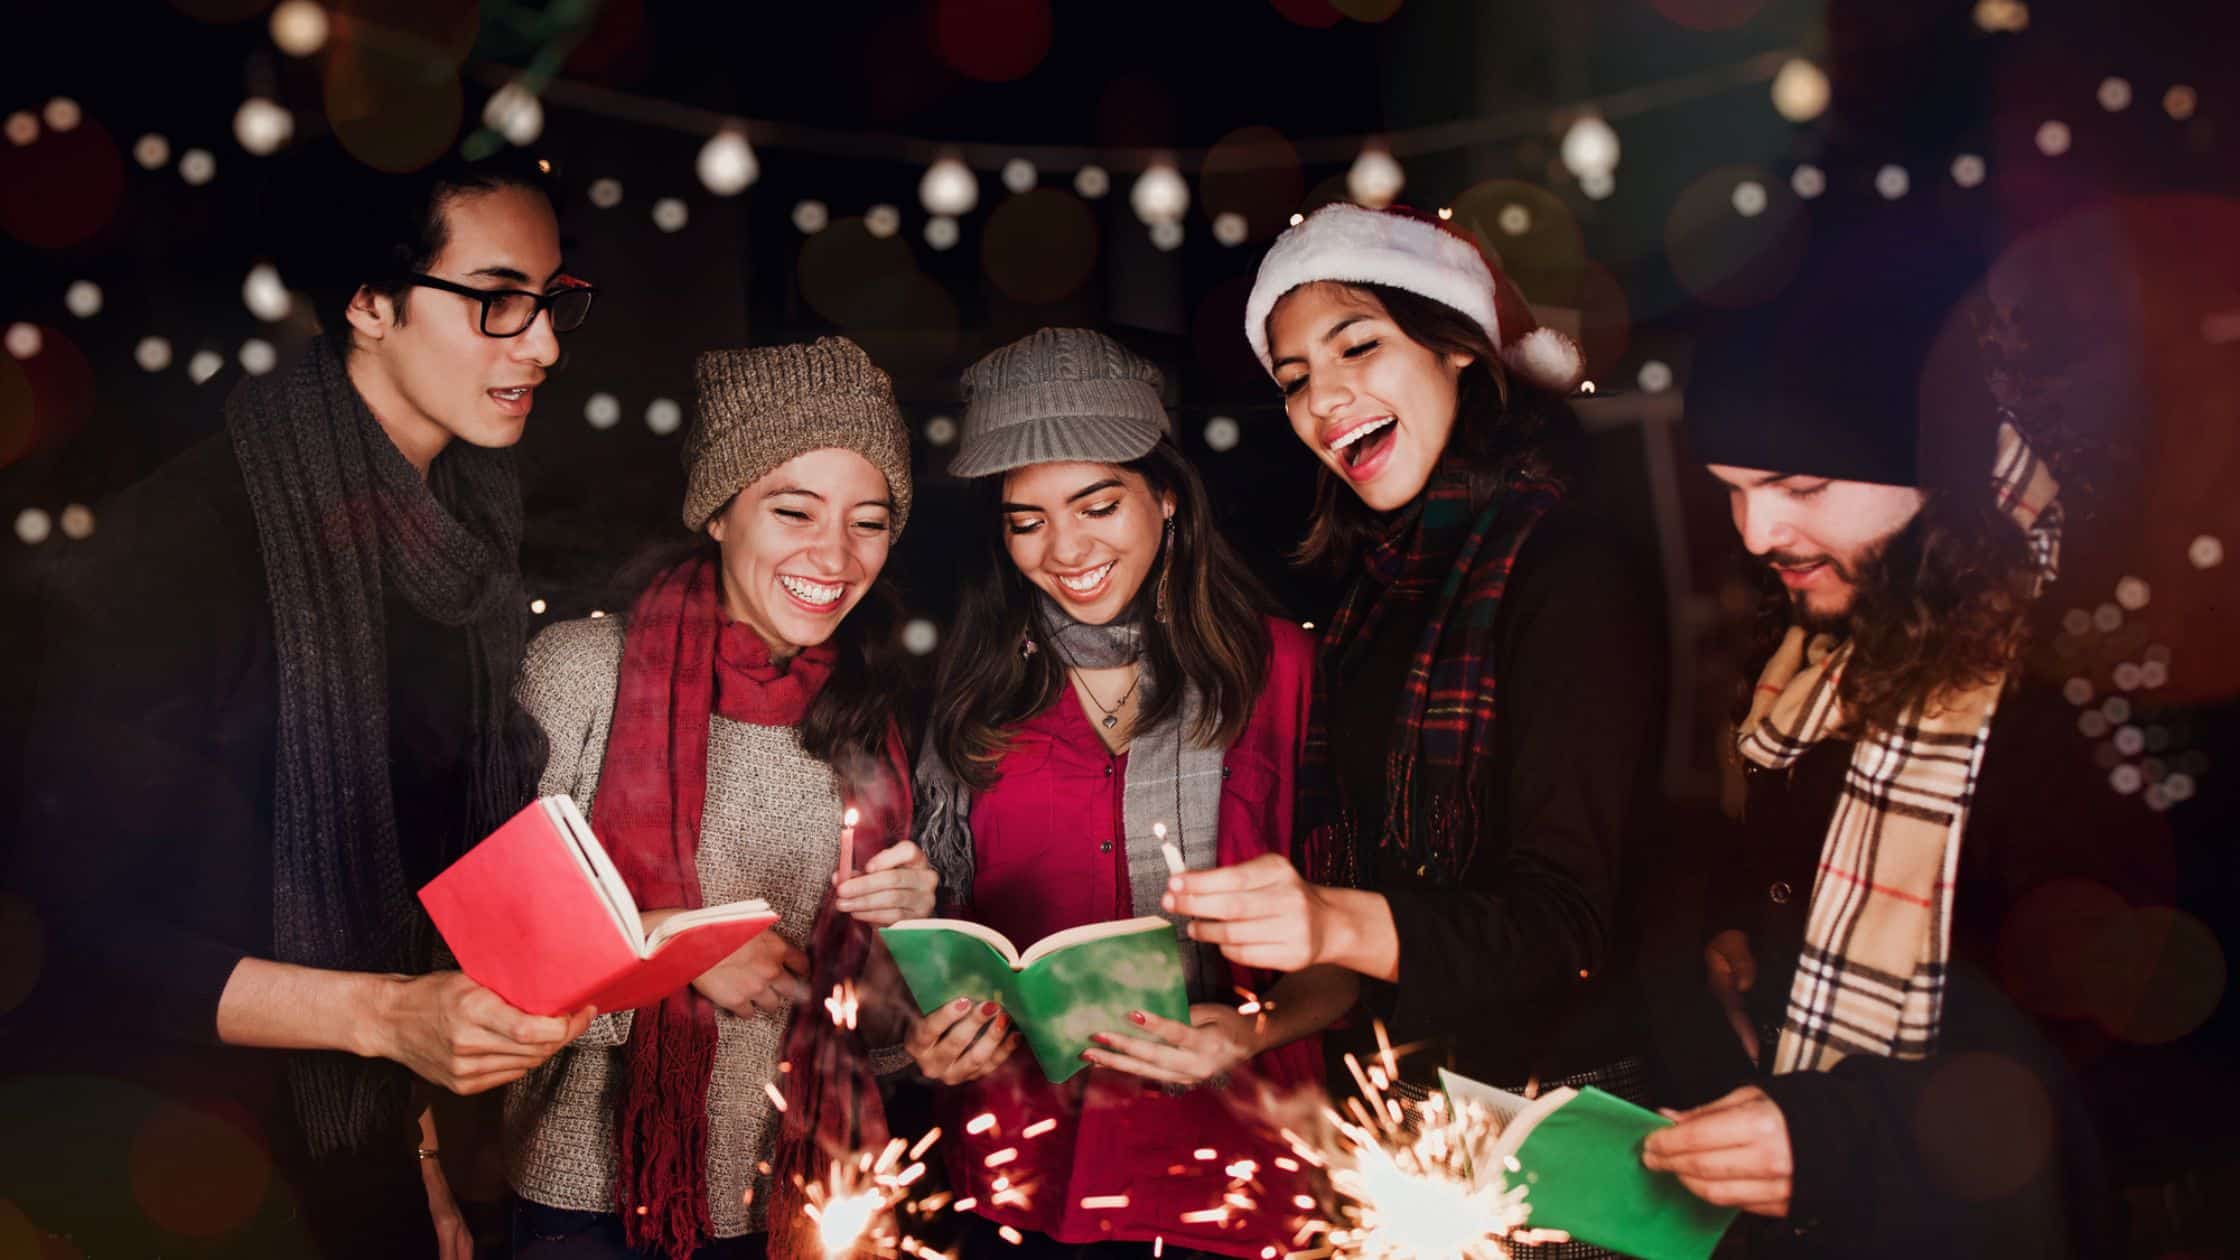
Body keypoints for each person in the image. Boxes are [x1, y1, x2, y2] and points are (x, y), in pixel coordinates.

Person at [3, 149, 597, 1257]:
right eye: (497, 301)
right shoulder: (180, 545)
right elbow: (74, 932)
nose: (545, 345)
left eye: (553, 300)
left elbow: (388, 886)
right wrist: (384, 1018)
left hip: (356, 1155)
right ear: (370, 303)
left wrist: (415, 1163)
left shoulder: (463, 549)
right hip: (162, 1165)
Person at [1639, 215, 2159, 1257]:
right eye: (1730, 493)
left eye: (1799, 486)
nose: (1756, 536)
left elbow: (2144, 1087)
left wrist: (1845, 1139)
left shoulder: (2093, 682)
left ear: (1938, 462)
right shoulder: (1834, 631)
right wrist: (1745, 952)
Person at [1169, 204, 1668, 1146]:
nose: (1323, 401)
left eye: (1357, 346)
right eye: (1296, 379)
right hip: (1402, 1114)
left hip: (1562, 1123)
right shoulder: (1370, 599)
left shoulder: (1570, 565)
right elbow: (1386, 897)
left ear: (1459, 346)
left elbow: (1568, 928)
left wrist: (1329, 921)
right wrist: (1257, 1025)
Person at [909, 328, 1355, 1258]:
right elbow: (939, 940)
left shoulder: (1284, 670)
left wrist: (1249, 1029)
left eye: (1097, 504)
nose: (1064, 547)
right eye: (1025, 519)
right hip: (1024, 1179)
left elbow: (1352, 939)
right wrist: (933, 1033)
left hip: (1245, 1175)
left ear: (1165, 496)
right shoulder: (971, 692)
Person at [504, 337, 937, 1260]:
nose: (836, 553)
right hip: (591, 1200)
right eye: (794, 511)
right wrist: (675, 948)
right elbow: (491, 955)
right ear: (718, 511)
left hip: (802, 1200)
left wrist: (914, 944)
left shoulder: (875, 718)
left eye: (870, 520)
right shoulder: (582, 673)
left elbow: (881, 1037)